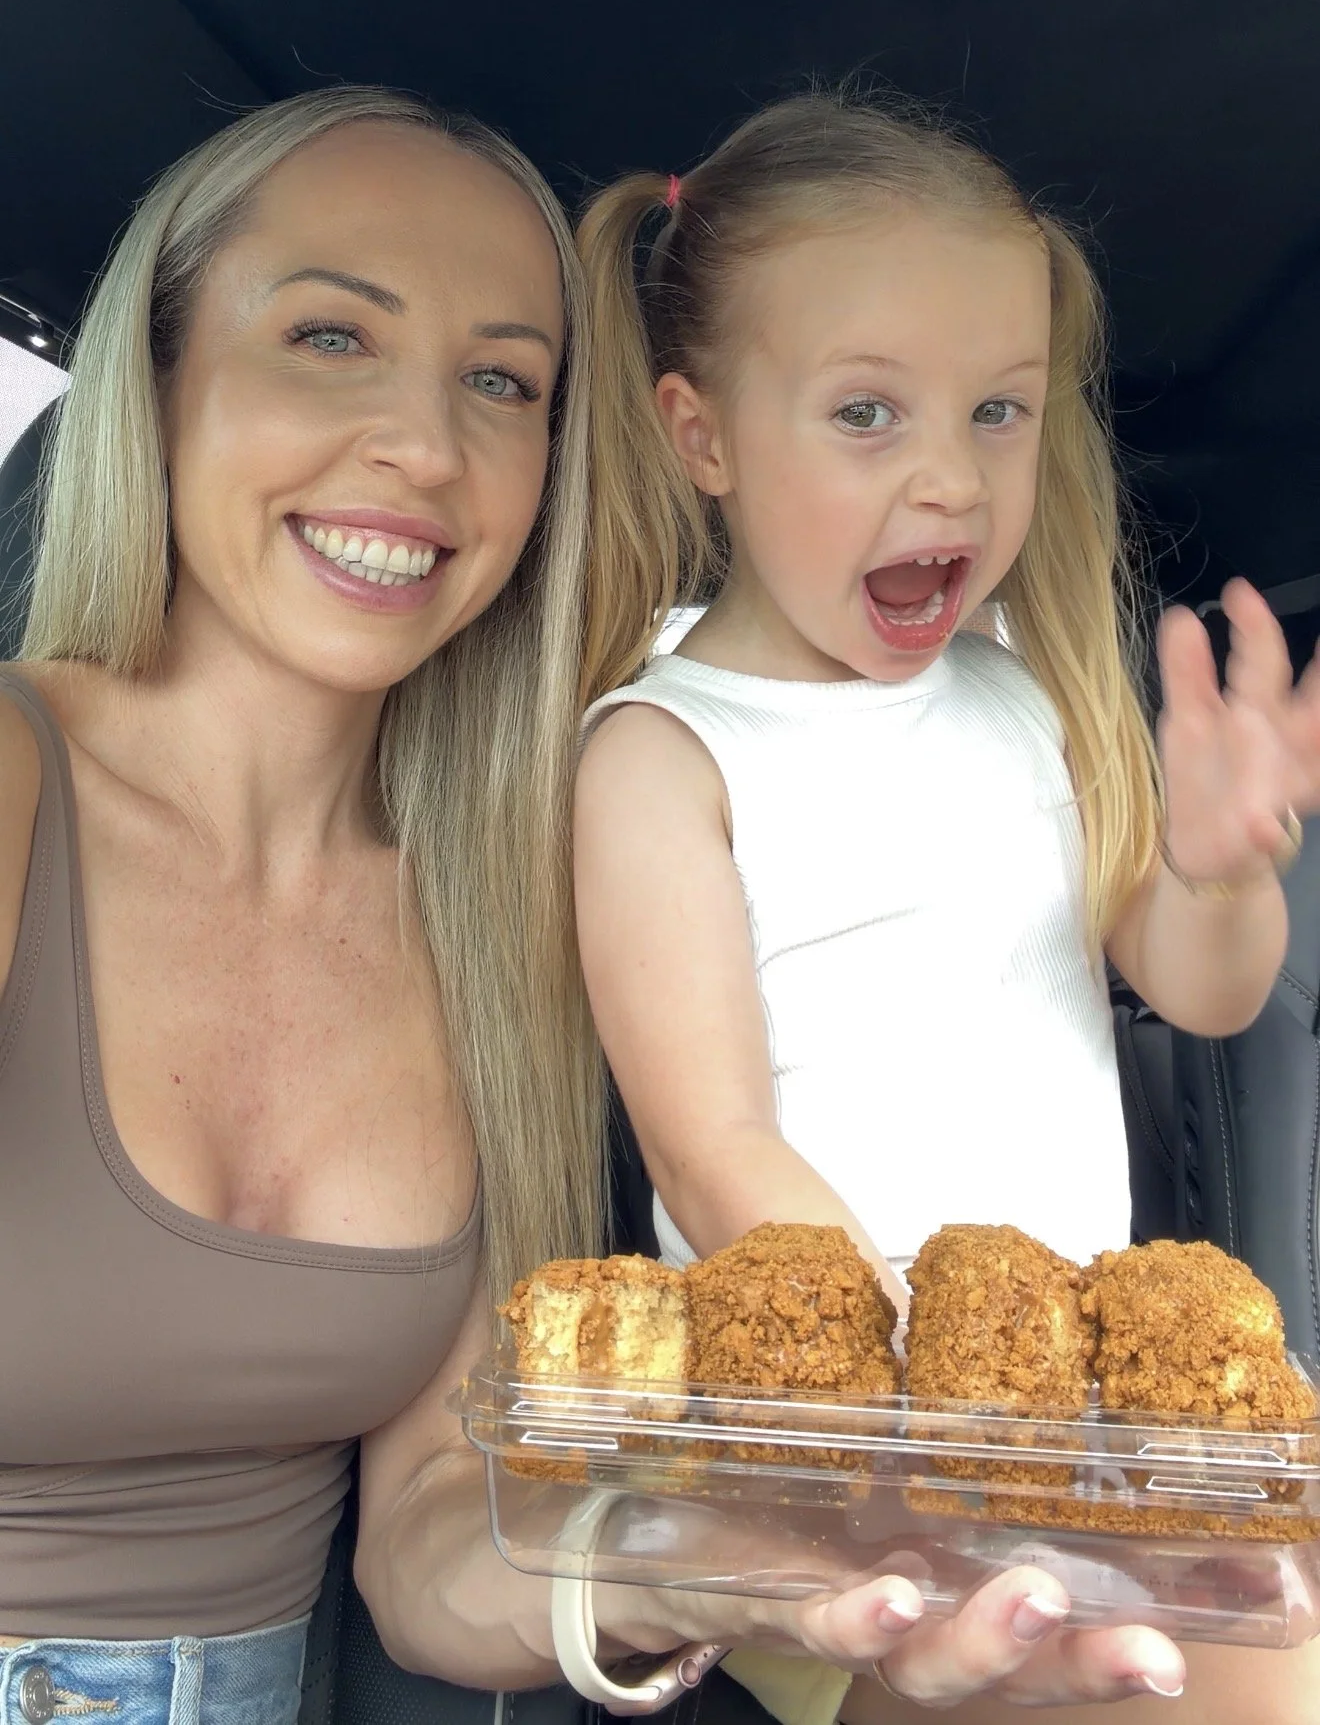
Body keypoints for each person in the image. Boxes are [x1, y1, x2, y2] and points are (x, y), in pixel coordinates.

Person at [0, 85, 1191, 1725]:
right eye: (332, 337)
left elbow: (423, 1543)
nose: (425, 444)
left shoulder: (492, 916)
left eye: (501, 380)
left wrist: (674, 1560)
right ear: (158, 373)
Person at [573, 92, 1320, 1723]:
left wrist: (1223, 868)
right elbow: (717, 1150)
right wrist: (963, 1416)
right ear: (700, 436)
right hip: (828, 1470)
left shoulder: (1027, 697)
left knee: (1280, 1653)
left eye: (998, 411)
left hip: (1054, 1441)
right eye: (866, 415)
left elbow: (1197, 988)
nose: (952, 480)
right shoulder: (662, 753)